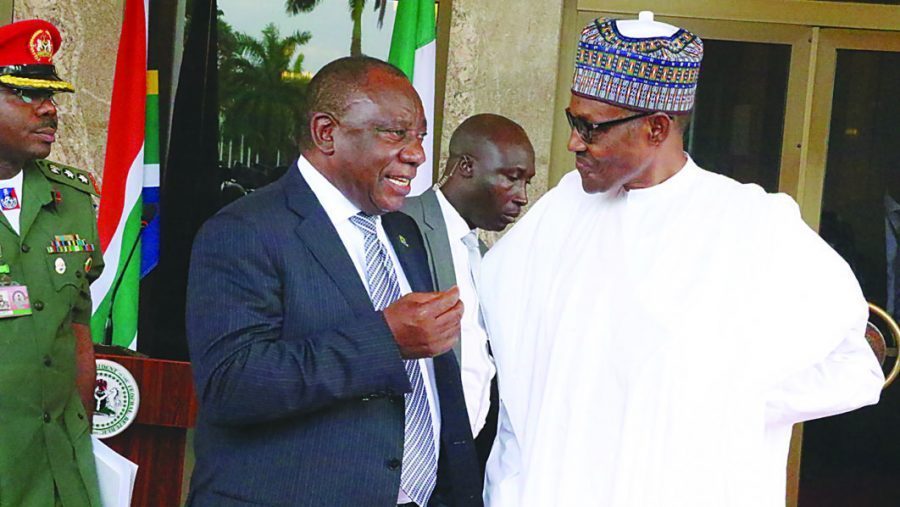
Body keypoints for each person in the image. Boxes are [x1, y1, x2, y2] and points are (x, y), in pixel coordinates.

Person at [479, 14, 885, 507]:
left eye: (591, 128)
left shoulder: (752, 225)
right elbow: (491, 333)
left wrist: (722, 402)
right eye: (573, 121)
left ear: (656, 128)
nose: (574, 144)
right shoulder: (559, 212)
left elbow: (855, 361)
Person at [185, 56, 483, 507]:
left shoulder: (403, 232)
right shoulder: (245, 230)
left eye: (420, 135)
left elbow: (436, 383)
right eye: (395, 133)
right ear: (328, 133)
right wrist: (384, 340)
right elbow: (232, 384)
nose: (417, 154)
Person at [0, 19, 105, 507]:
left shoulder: (73, 199)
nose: (49, 109)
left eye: (52, 95)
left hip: (56, 467)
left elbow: (77, 328)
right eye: (26, 92)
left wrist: (77, 434)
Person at [401, 114, 535, 470]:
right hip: (406, 461)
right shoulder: (401, 226)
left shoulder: (487, 256)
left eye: (527, 182)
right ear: (466, 166)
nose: (522, 198)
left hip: (464, 460)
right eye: (512, 177)